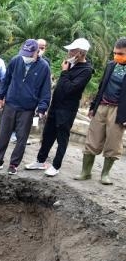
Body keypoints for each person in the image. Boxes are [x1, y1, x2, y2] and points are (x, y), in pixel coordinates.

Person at [25, 38, 92, 177]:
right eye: (69, 50)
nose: (69, 52)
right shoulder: (70, 64)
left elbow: (70, 89)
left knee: (62, 138)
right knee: (48, 134)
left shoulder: (86, 70)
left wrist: (65, 72)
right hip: (55, 106)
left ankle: (56, 166)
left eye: (72, 50)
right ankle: (40, 160)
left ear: (81, 53)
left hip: (67, 110)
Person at [0, 39, 51, 175]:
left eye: (29, 54)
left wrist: (42, 107)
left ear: (37, 52)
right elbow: (6, 80)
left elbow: (46, 90)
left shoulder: (44, 67)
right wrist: (0, 96)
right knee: (3, 134)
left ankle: (14, 164)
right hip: (10, 103)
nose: (26, 57)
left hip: (27, 108)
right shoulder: (16, 60)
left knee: (21, 138)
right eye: (24, 54)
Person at [75, 37, 126, 185]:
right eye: (115, 53)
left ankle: (105, 174)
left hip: (119, 110)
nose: (117, 56)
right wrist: (93, 107)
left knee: (113, 143)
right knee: (92, 139)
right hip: (102, 106)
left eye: (121, 53)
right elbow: (101, 86)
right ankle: (86, 172)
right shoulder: (111, 65)